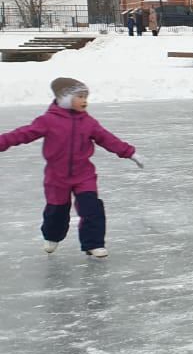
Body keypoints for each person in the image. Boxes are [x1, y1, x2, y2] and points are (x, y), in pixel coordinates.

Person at [0, 78, 141, 259]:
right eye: (80, 96)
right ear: (65, 98)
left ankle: (94, 244)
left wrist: (129, 152)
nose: (85, 101)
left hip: (84, 175)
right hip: (56, 177)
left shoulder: (88, 122)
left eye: (86, 96)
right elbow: (23, 134)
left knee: (92, 208)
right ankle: (52, 236)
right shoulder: (48, 120)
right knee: (56, 212)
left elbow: (107, 139)